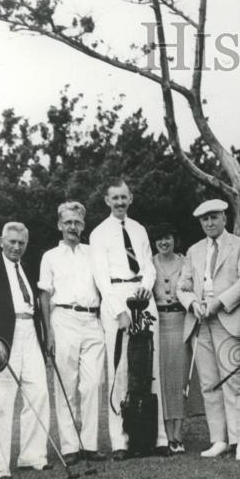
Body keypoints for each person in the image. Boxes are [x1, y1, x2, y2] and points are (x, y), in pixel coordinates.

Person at [89, 180, 169, 461]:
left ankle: (157, 437)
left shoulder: (138, 229)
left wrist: (146, 285)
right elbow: (100, 276)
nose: (120, 202)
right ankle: (121, 440)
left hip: (142, 295)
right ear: (106, 200)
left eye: (124, 197)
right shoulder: (99, 233)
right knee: (120, 369)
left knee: (150, 365)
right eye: (115, 198)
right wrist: (117, 311)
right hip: (117, 297)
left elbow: (147, 264)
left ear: (131, 198)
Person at [0, 222, 53, 479]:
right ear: (1, 241)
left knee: (38, 392)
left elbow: (38, 305)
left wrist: (45, 335)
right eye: (12, 242)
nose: (17, 247)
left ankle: (32, 456)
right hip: (2, 338)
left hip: (30, 334)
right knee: (0, 401)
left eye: (21, 243)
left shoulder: (28, 267)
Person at [178, 199, 240, 460]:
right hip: (201, 323)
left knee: (234, 381)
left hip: (227, 319)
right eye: (204, 219)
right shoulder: (194, 250)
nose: (209, 223)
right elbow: (182, 286)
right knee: (209, 384)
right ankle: (219, 439)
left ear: (224, 218)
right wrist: (193, 304)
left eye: (214, 218)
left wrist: (219, 303)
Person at [37, 202, 107, 466]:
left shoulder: (93, 253)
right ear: (59, 224)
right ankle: (70, 447)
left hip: (92, 320)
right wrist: (49, 332)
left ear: (83, 225)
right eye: (67, 222)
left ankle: (90, 445)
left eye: (77, 223)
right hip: (63, 319)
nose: (72, 227)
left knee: (91, 385)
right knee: (66, 385)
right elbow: (44, 296)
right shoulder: (50, 256)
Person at [151, 223, 190, 453]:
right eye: (158, 239)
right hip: (158, 324)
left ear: (174, 239)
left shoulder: (185, 262)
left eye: (167, 238)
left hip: (180, 322)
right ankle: (165, 434)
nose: (163, 243)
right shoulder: (150, 263)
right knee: (162, 379)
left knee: (178, 379)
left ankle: (178, 434)